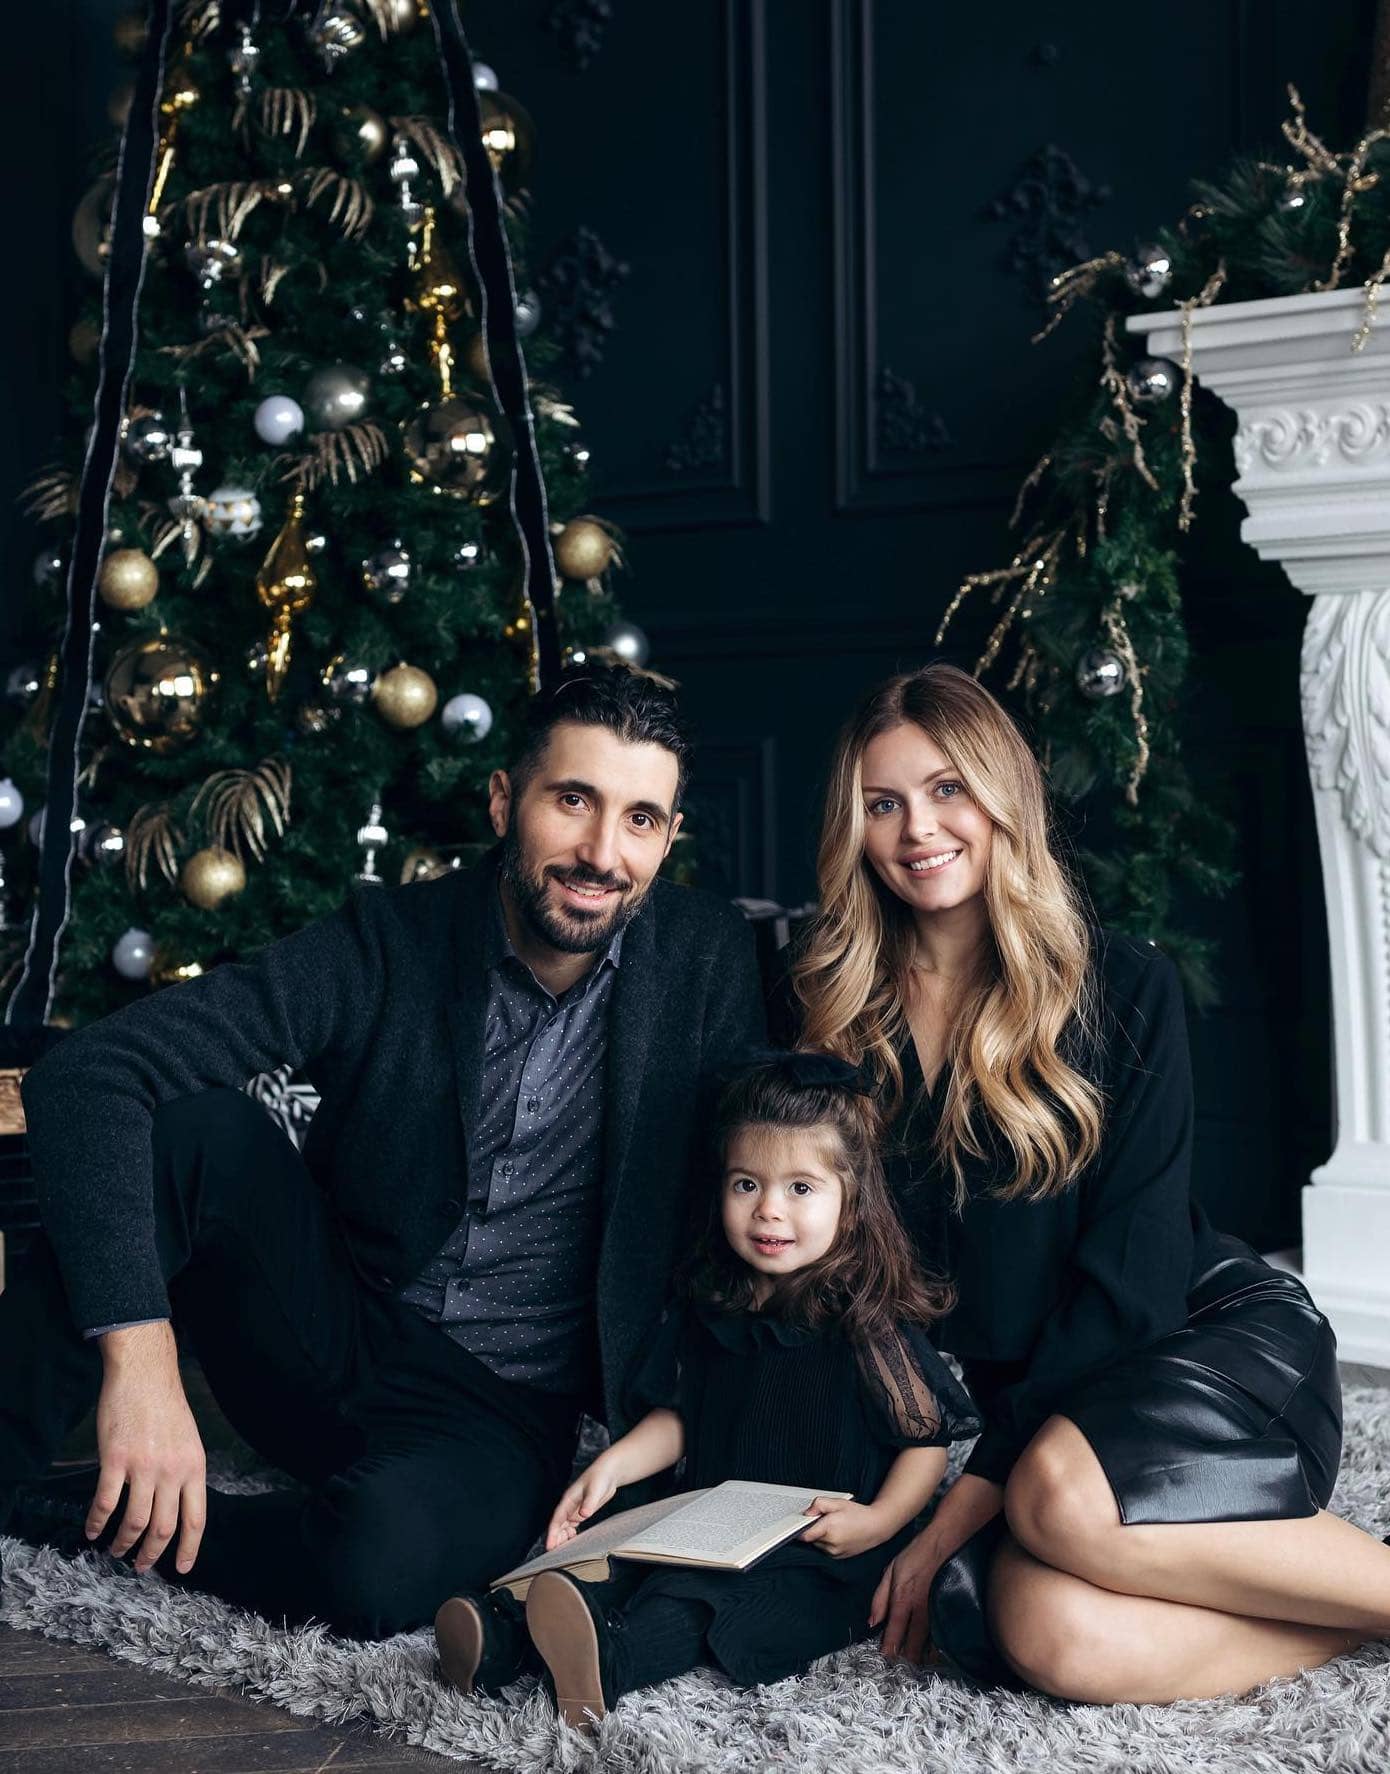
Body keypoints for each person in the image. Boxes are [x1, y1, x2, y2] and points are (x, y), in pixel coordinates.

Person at [0, 661, 766, 1638]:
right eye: (572, 800)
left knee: (379, 1567)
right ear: (503, 800)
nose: (601, 851)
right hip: (326, 1327)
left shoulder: (703, 962)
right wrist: (142, 1364)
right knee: (195, 1132)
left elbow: (760, 1183)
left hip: (497, 1408)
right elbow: (87, 1075)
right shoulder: (391, 941)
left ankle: (91, 1517)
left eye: (641, 819)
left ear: (668, 835)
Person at [782, 662, 1390, 1704]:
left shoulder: (1122, 989)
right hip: (1049, 1426)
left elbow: (1131, 1286)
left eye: (946, 790)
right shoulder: (830, 1007)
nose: (916, 828)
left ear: (1001, 799)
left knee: (1053, 1497)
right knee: (1049, 1633)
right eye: (881, 804)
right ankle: (1344, 1623)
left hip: (1205, 1349)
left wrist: (963, 1503)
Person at [433, 1052, 979, 1730]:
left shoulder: (866, 1322)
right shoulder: (716, 1305)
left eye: (800, 1189)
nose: (768, 1211)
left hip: (818, 1551)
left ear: (853, 1199)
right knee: (618, 1560)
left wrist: (879, 1522)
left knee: (695, 1602)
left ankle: (611, 1663)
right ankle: (501, 1639)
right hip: (712, 1521)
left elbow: (924, 1444)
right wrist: (610, 1466)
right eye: (747, 1184)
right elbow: (682, 1420)